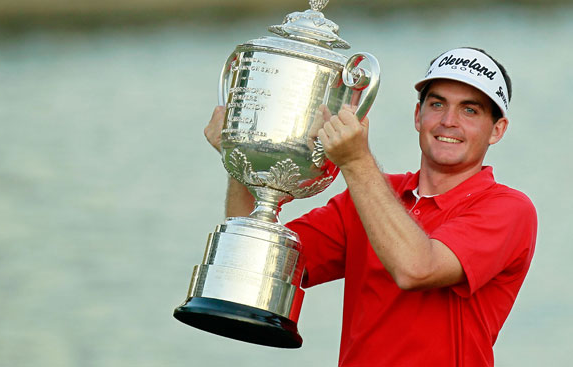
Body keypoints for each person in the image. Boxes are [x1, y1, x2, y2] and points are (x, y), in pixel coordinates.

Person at [204, 47, 537, 366]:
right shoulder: (369, 197)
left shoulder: (508, 209)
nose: (449, 120)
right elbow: (255, 262)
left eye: (470, 109)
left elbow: (416, 269)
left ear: (497, 130)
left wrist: (355, 160)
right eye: (437, 104)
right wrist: (239, 158)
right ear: (418, 115)